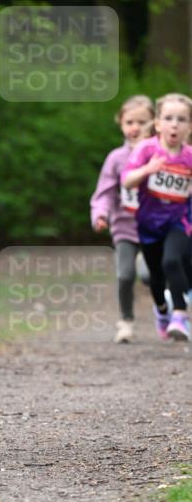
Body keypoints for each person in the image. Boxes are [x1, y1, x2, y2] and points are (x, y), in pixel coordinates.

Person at [121, 92, 192, 341]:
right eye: (169, 118)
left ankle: (180, 316)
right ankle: (162, 311)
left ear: (189, 126)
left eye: (181, 119)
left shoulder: (189, 156)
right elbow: (127, 181)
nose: (175, 125)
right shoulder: (146, 149)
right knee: (156, 276)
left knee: (172, 261)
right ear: (158, 123)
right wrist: (147, 170)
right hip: (149, 224)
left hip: (178, 221)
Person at [90, 95, 154, 343]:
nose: (135, 127)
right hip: (124, 227)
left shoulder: (161, 156)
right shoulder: (116, 158)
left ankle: (168, 310)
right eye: (129, 122)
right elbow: (104, 192)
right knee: (125, 276)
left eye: (142, 122)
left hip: (155, 228)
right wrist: (100, 214)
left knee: (148, 276)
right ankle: (126, 321)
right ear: (121, 124)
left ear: (155, 123)